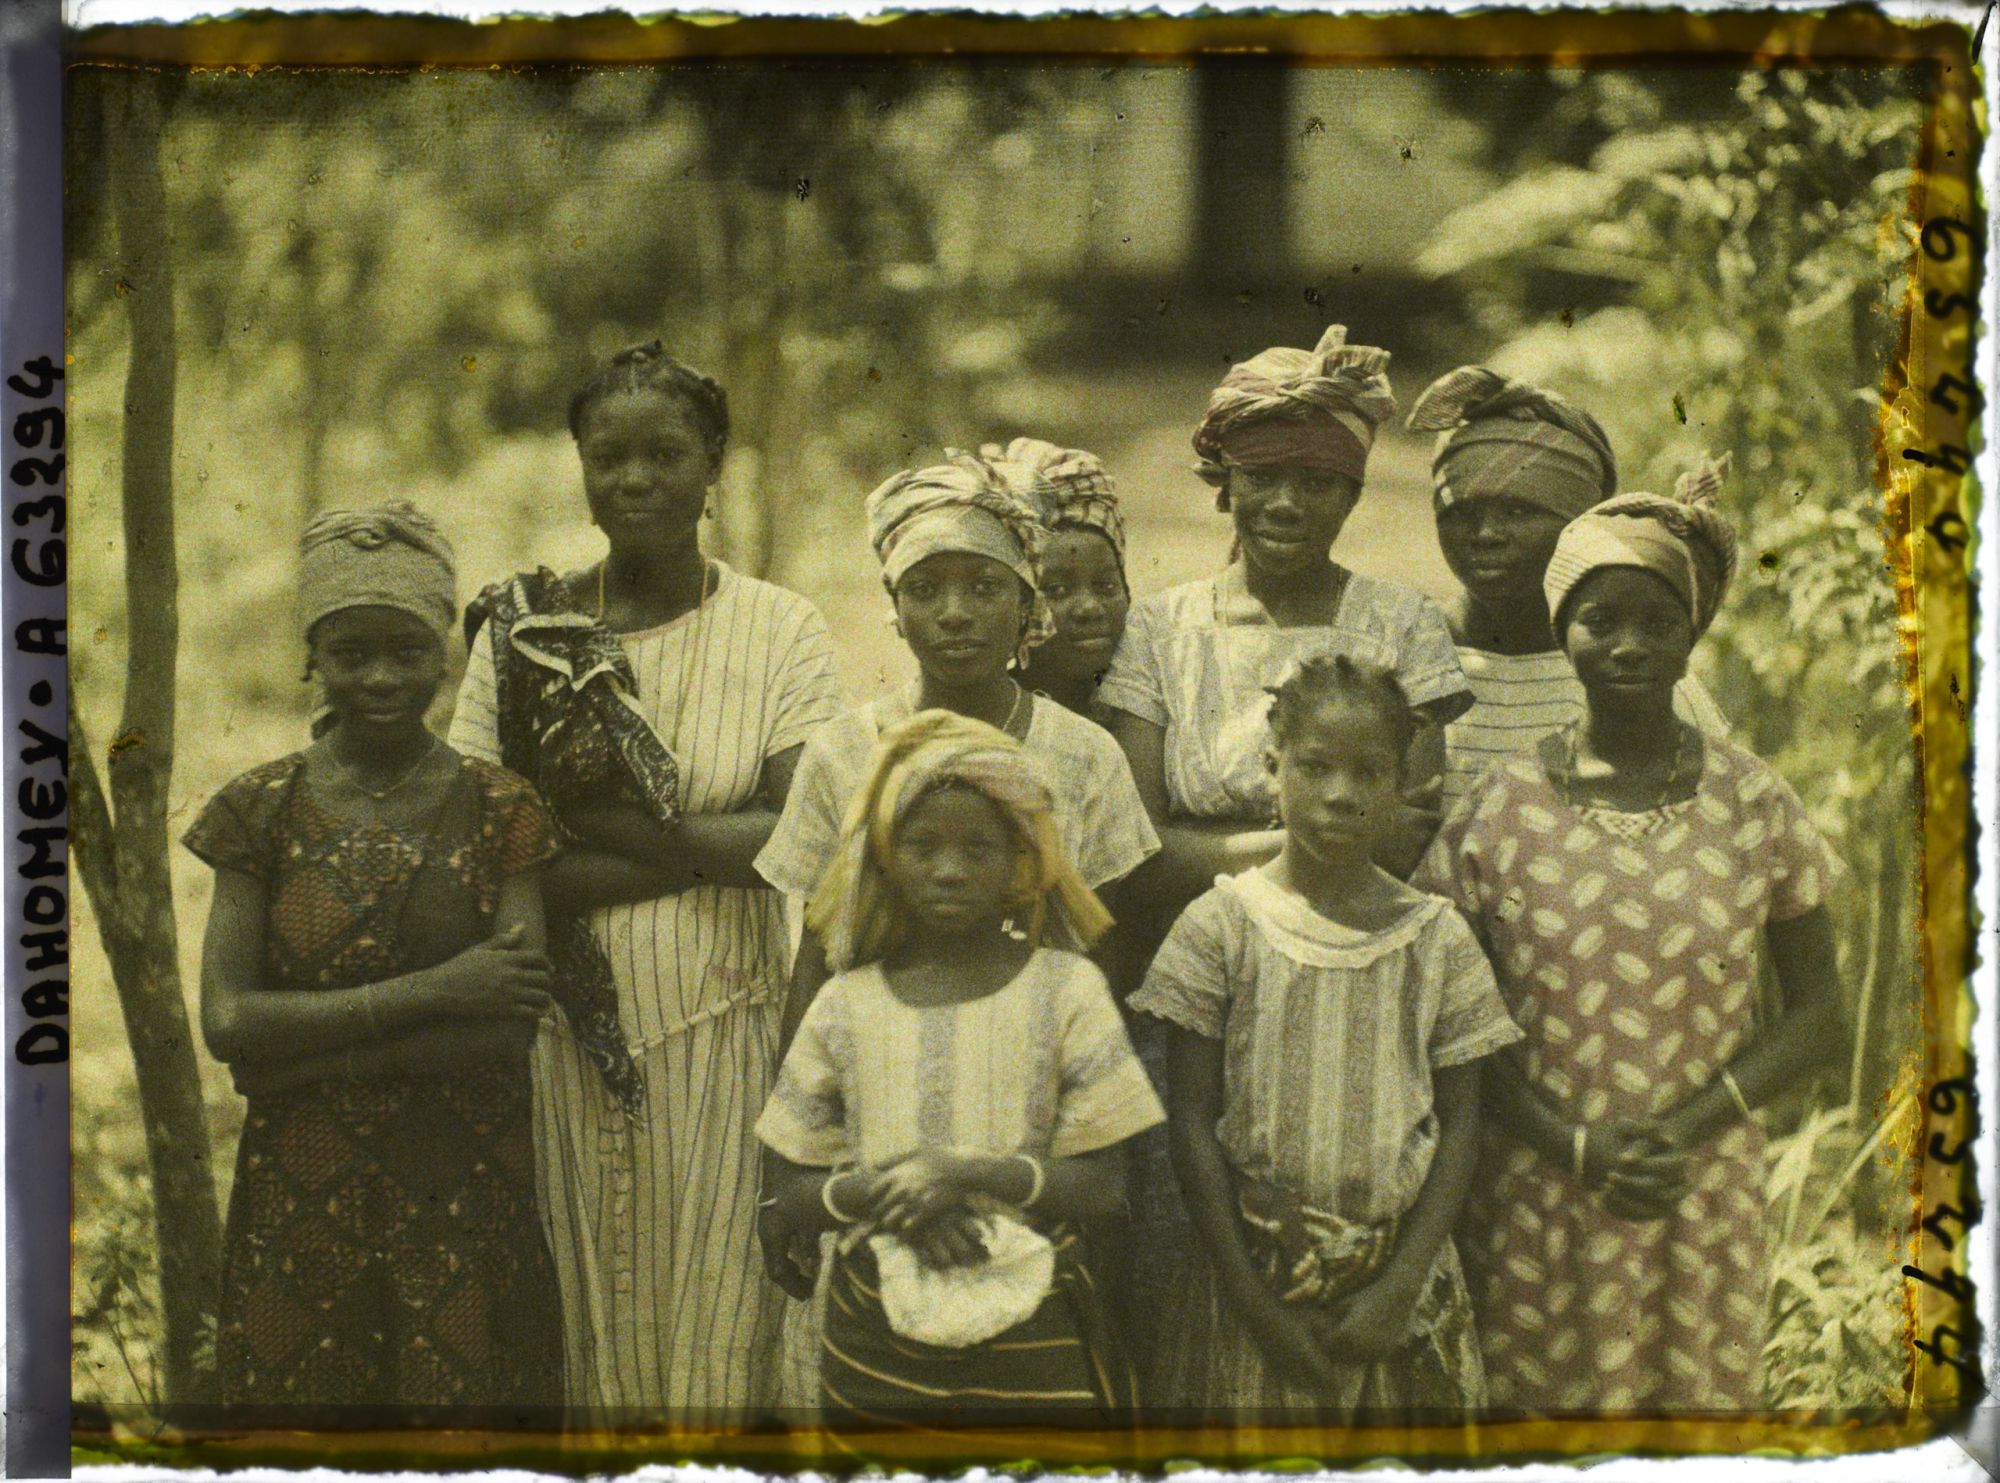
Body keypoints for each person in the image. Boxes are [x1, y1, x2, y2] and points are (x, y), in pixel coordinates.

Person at [448, 341, 841, 1418]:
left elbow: (796, 839)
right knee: (593, 1332)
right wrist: (684, 842)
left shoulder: (778, 628)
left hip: (727, 1033)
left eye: (664, 453)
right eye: (606, 455)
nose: (633, 480)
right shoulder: (524, 635)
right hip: (564, 1046)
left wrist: (599, 826)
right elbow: (485, 849)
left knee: (718, 1336)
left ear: (713, 461)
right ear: (578, 463)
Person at [1415, 457, 1848, 1411]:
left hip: (1700, 1188)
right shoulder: (1501, 811)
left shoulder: (1754, 802)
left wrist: (1681, 1135)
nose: (1629, 646)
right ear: (1561, 629)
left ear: (1693, 636)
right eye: (1600, 620)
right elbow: (1453, 1021)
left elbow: (1822, 1018)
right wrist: (1572, 1147)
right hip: (1537, 1188)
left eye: (1658, 622)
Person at [754, 452, 1157, 1410]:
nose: (958, 613)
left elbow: (1104, 956)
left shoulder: (1083, 753)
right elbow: (816, 955)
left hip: (1035, 1115)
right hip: (879, 1100)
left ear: (1031, 607)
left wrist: (1069, 1164)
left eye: (986, 587)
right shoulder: (843, 751)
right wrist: (791, 1184)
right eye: (927, 589)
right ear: (891, 607)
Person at [185, 504, 563, 1420]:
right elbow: (229, 1022)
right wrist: (440, 989)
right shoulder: (258, 809)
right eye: (351, 653)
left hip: (463, 1190)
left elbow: (507, 1026)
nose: (382, 676)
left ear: (446, 652)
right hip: (300, 1198)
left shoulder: (502, 806)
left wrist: (300, 1060)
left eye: (406, 650)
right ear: (315, 658)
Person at [755, 712, 1165, 1443]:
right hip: (876, 1343)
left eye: (978, 847)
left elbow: (1105, 1187)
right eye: (922, 845)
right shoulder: (845, 1005)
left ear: (1020, 861)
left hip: (1033, 1341)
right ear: (884, 858)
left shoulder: (1065, 991)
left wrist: (966, 1173)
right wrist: (896, 1197)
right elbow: (792, 1192)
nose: (949, 869)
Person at [1131, 654, 1522, 1421]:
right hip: (1247, 1290)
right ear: (1272, 770)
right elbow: (1192, 1130)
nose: (1341, 795)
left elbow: (1461, 1126)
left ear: (1401, 783)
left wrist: (1399, 1289)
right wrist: (1259, 1309)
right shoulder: (1222, 927)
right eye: (1315, 768)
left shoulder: (1436, 940)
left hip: (1396, 1295)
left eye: (1368, 772)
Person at [1099, 323, 1471, 907]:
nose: (1286, 505)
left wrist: (1205, 843)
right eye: (1262, 478)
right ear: (1225, 486)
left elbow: (1404, 843)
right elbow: (1141, 855)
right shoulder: (1161, 628)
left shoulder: (1404, 624)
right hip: (1186, 936)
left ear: (1352, 495)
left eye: (1318, 484)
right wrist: (1331, 841)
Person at [1405, 366, 1728, 812]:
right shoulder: (1404, 661)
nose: (1485, 534)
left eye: (1519, 512)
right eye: (1462, 513)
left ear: (1577, 527)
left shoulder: (1640, 674)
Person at [983, 436, 1132, 720]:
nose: (1089, 608)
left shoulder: (1144, 709)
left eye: (1106, 586)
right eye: (1057, 590)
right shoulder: (992, 721)